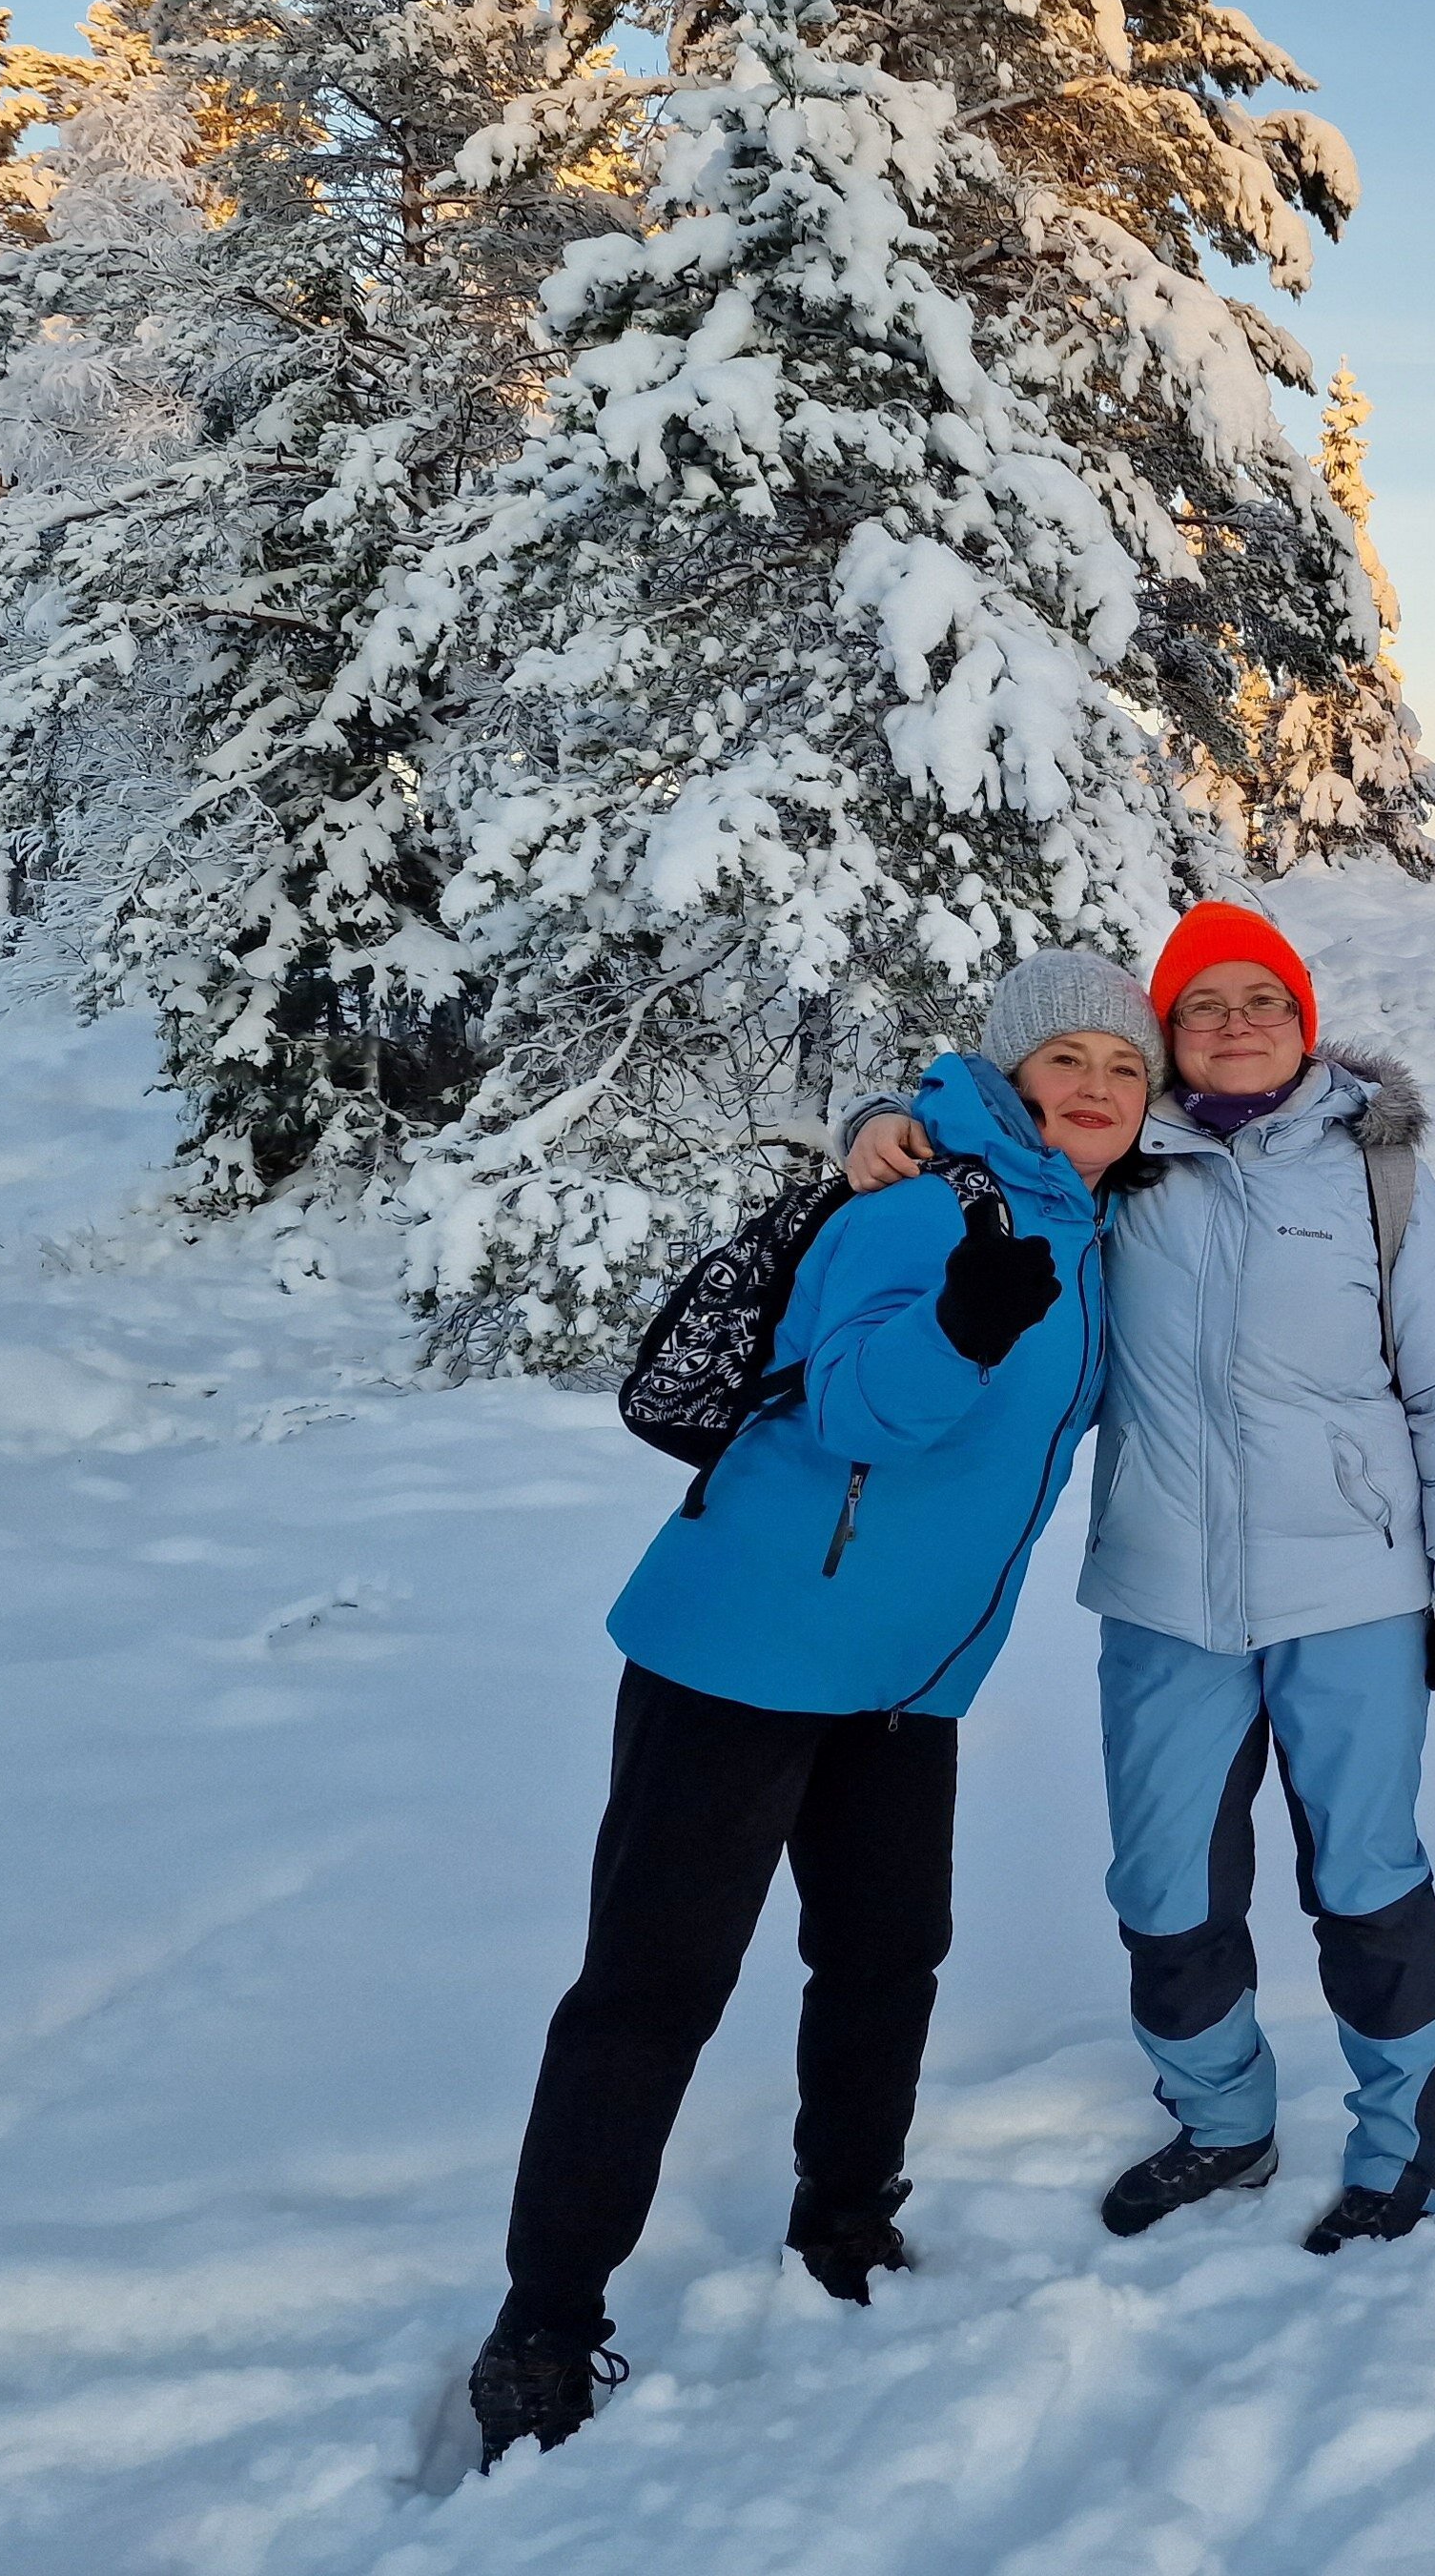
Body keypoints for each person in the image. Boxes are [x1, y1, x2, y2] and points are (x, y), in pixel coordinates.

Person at [469, 951, 1155, 2467]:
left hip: (905, 1680)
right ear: (1011, 1077)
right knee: (653, 1987)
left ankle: (845, 2218)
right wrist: (958, 1328)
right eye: (1068, 1062)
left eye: (1124, 1064)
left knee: (886, 1955)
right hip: (742, 1656)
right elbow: (852, 1408)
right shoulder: (915, 1211)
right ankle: (543, 2320)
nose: (1098, 1087)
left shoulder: (1093, 1227)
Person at [846, 903, 1435, 2254]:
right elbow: (974, 1131)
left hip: (1354, 1591)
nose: (1234, 1024)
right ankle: (1224, 2122)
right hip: (1163, 1594)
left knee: (1368, 1877)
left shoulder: (1380, 1178)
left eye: (1261, 999)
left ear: (1303, 1022)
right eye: (1201, 1006)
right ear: (1167, 1037)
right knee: (1164, 1887)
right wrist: (875, 1115)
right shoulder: (1108, 1172)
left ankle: (1402, 2141)